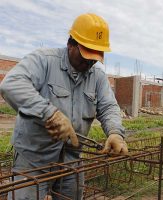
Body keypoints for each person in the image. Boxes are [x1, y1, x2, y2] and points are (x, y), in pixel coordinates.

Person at [0, 13, 128, 200]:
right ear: (71, 44)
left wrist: (115, 132)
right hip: (33, 159)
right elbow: (11, 84)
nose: (90, 61)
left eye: (95, 56)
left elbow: (108, 107)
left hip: (71, 161)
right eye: (86, 54)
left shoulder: (97, 76)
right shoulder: (44, 60)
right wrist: (49, 114)